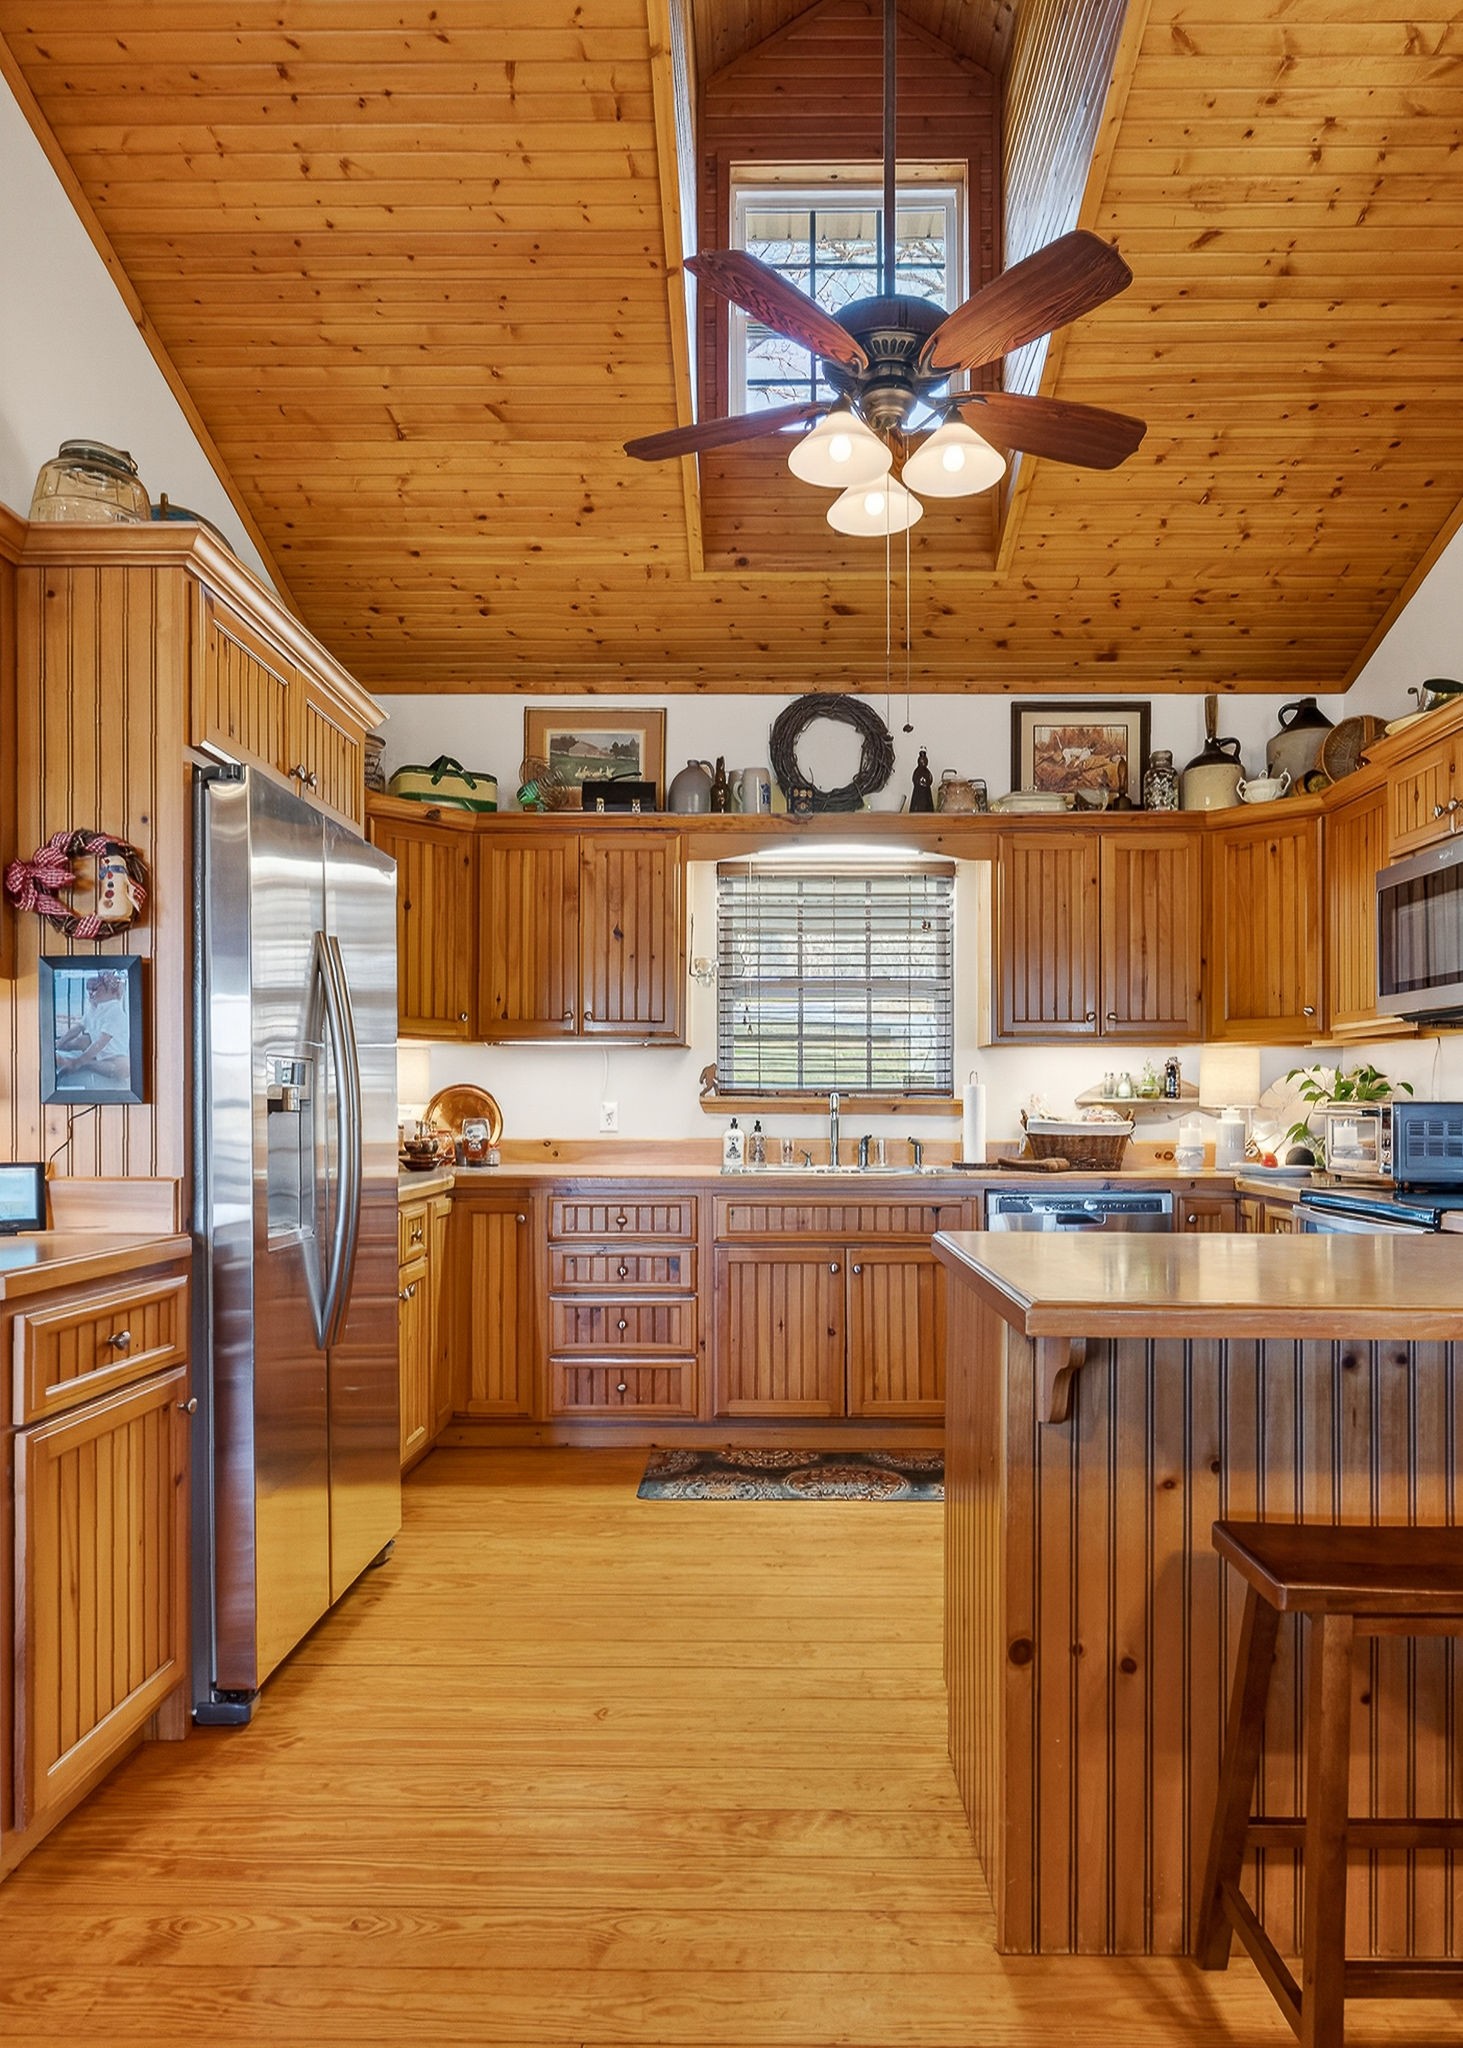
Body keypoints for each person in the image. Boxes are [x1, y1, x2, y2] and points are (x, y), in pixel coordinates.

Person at [53, 969, 132, 1087]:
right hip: (99, 1053)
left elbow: (101, 1043)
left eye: (95, 989)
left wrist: (79, 1062)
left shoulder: (115, 1011)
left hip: (114, 1056)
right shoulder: (95, 1008)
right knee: (83, 1039)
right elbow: (78, 1028)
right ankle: (54, 1050)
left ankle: (84, 1064)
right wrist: (60, 1042)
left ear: (110, 991)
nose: (90, 992)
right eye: (88, 989)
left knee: (123, 1067)